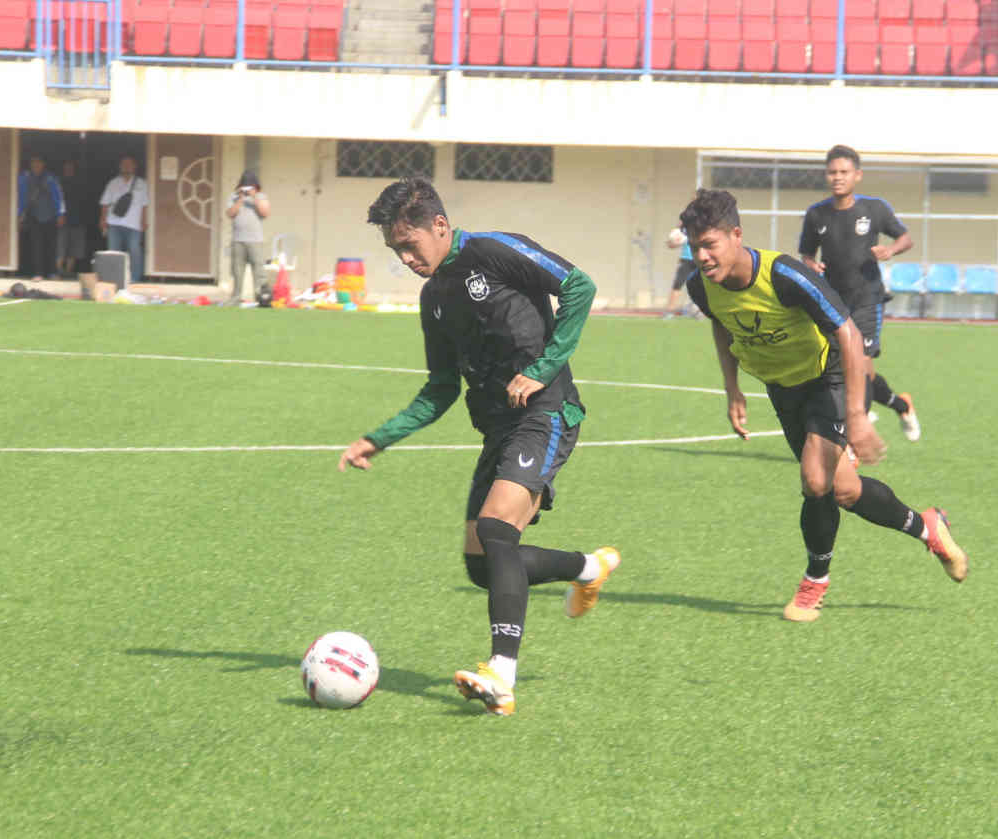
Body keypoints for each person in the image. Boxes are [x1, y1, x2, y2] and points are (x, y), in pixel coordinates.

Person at [337, 177, 621, 716]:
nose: (405, 259)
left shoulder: (495, 251)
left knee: (495, 529)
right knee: (481, 566)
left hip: (547, 412)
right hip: (498, 430)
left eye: (409, 244)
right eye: (396, 251)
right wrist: (380, 438)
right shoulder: (433, 298)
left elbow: (579, 286)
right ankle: (588, 567)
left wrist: (543, 369)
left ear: (440, 226)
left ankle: (501, 676)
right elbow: (441, 388)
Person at [680, 188, 967, 623]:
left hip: (828, 376)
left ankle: (815, 581)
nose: (701, 256)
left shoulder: (783, 275)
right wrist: (732, 389)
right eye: (694, 246)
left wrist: (857, 415)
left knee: (815, 481)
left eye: (709, 244)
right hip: (783, 388)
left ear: (736, 235)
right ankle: (928, 527)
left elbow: (848, 333)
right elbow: (723, 326)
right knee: (845, 491)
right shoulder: (700, 286)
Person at [799, 145, 921, 442]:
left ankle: (853, 442)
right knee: (854, 372)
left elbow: (906, 238)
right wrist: (811, 265)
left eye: (844, 172)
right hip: (834, 303)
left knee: (860, 368)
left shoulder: (874, 209)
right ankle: (902, 405)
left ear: (857, 175)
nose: (837, 177)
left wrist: (891, 250)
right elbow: (806, 254)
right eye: (832, 172)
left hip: (867, 300)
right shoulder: (816, 214)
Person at [99, 155, 149, 285]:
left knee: (134, 250)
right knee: (113, 252)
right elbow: (105, 203)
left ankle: (135, 278)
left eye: (129, 164)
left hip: (134, 224)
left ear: (134, 166)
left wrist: (144, 221)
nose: (126, 167)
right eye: (124, 164)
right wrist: (103, 219)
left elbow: (145, 205)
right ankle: (113, 279)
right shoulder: (113, 183)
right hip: (114, 223)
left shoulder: (142, 184)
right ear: (120, 167)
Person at [17, 154, 66, 282]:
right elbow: (20, 197)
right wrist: (19, 214)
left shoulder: (51, 178)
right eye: (34, 162)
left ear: (43, 164)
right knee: (35, 246)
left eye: (38, 162)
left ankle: (52, 272)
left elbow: (59, 196)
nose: (36, 165)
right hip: (33, 215)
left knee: (51, 245)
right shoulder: (24, 177)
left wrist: (60, 214)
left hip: (50, 215)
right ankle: (37, 273)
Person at [224, 170, 270, 304]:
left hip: (255, 240)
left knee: (259, 270)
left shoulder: (261, 197)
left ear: (255, 186)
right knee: (237, 271)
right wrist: (240, 199)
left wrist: (254, 197)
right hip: (238, 240)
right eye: (245, 186)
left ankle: (260, 297)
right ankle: (236, 297)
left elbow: (265, 213)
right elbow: (230, 214)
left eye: (249, 186)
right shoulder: (234, 197)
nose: (247, 189)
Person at [57, 159, 88, 278]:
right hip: (62, 220)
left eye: (70, 168)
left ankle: (68, 272)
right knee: (60, 248)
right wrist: (59, 216)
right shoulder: (58, 183)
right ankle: (58, 271)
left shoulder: (80, 183)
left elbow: (84, 202)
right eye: (66, 168)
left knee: (74, 249)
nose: (68, 170)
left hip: (77, 220)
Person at [663, 227, 698, 317]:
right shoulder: (682, 230)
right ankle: (669, 311)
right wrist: (673, 242)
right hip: (686, 260)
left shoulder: (701, 227)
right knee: (677, 285)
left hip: (699, 260)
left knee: (700, 287)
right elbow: (671, 245)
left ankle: (698, 311)